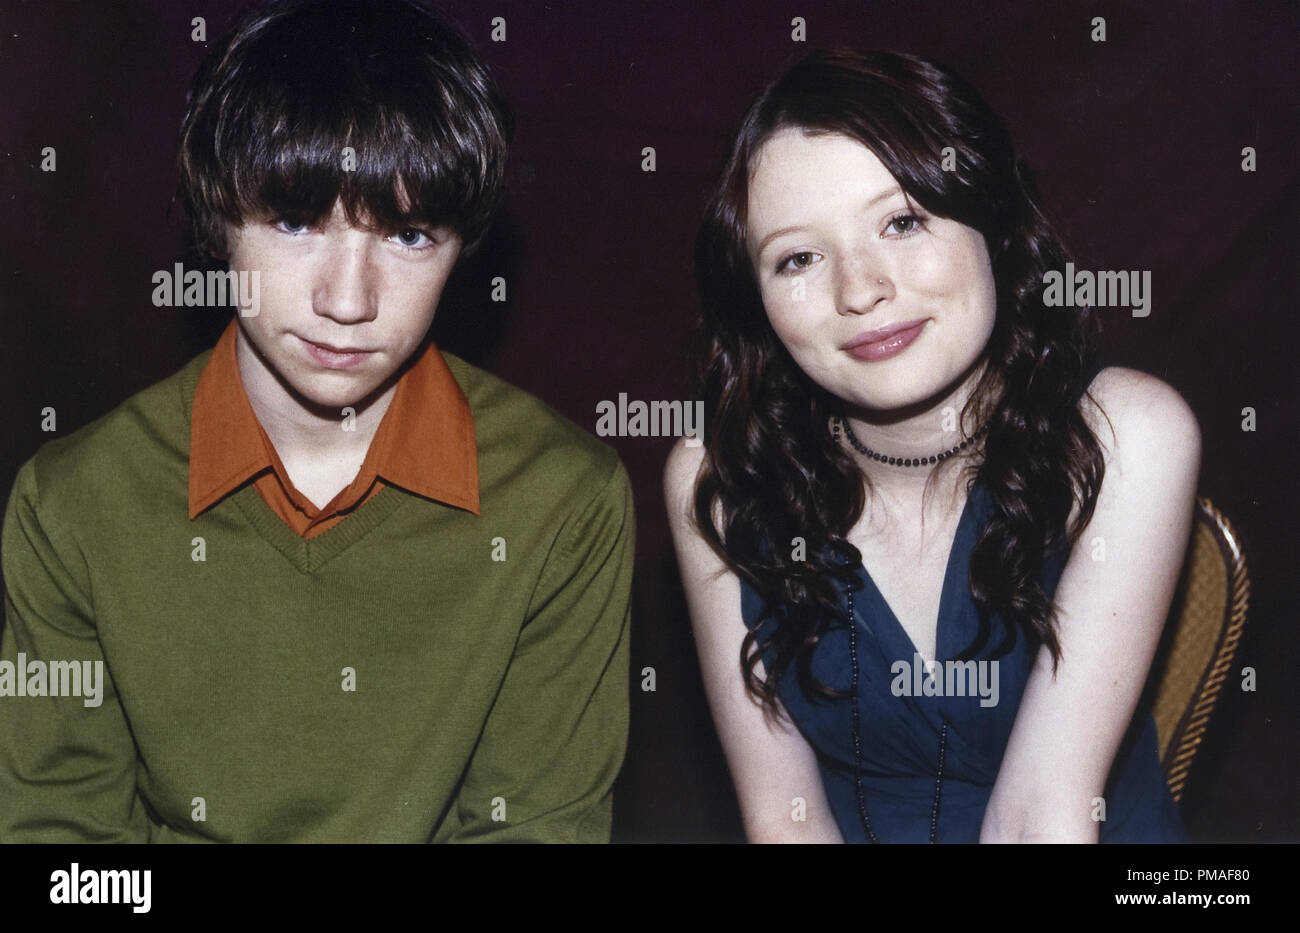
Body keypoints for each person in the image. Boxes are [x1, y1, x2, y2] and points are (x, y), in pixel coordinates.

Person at [0, 0, 634, 843]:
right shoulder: (70, 503)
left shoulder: (564, 501)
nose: (347, 300)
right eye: (295, 222)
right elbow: (63, 858)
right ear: (217, 223)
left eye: (409, 236)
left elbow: (538, 830)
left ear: (462, 250)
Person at [665, 48, 1199, 843]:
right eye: (799, 258)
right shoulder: (715, 478)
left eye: (903, 220)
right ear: (758, 300)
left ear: (992, 222)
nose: (860, 289)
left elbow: (1040, 822)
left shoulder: (1130, 434)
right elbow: (784, 825)